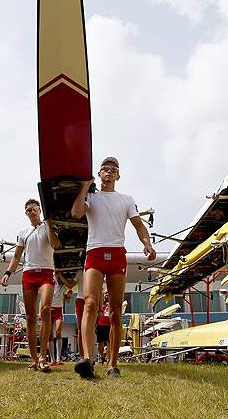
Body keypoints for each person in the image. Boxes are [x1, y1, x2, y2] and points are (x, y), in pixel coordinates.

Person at [71, 156, 157, 378]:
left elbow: (139, 225)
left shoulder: (126, 199)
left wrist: (146, 243)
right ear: (99, 175)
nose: (108, 172)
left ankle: (112, 363)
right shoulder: (91, 197)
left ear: (118, 176)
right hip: (95, 254)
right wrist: (83, 187)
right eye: (104, 169)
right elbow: (76, 213)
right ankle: (87, 359)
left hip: (117, 256)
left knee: (116, 311)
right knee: (90, 304)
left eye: (113, 170)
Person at [1, 199, 61, 371]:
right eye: (29, 210)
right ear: (26, 213)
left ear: (40, 210)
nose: (32, 212)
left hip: (46, 273)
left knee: (45, 310)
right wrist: (7, 273)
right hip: (28, 274)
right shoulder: (23, 232)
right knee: (30, 317)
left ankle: (43, 356)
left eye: (35, 209)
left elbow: (55, 244)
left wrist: (48, 223)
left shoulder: (48, 226)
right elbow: (16, 257)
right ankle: (34, 360)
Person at [95, 289, 111, 362]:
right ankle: (102, 356)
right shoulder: (100, 302)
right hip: (100, 324)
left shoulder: (112, 302)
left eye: (108, 293)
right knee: (100, 344)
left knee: (109, 343)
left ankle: (109, 359)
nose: (107, 294)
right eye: (105, 293)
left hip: (110, 325)